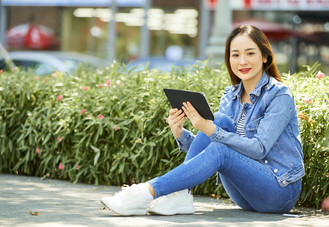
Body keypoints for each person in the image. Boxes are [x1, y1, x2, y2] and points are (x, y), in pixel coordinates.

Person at [100, 25, 305, 216]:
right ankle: (180, 195)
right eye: (235, 55)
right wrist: (181, 133)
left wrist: (210, 129)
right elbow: (208, 146)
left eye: (250, 53)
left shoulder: (279, 94)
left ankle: (145, 193)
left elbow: (258, 148)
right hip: (244, 194)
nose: (242, 61)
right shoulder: (231, 94)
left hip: (279, 191)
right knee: (221, 121)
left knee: (220, 142)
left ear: (265, 57)